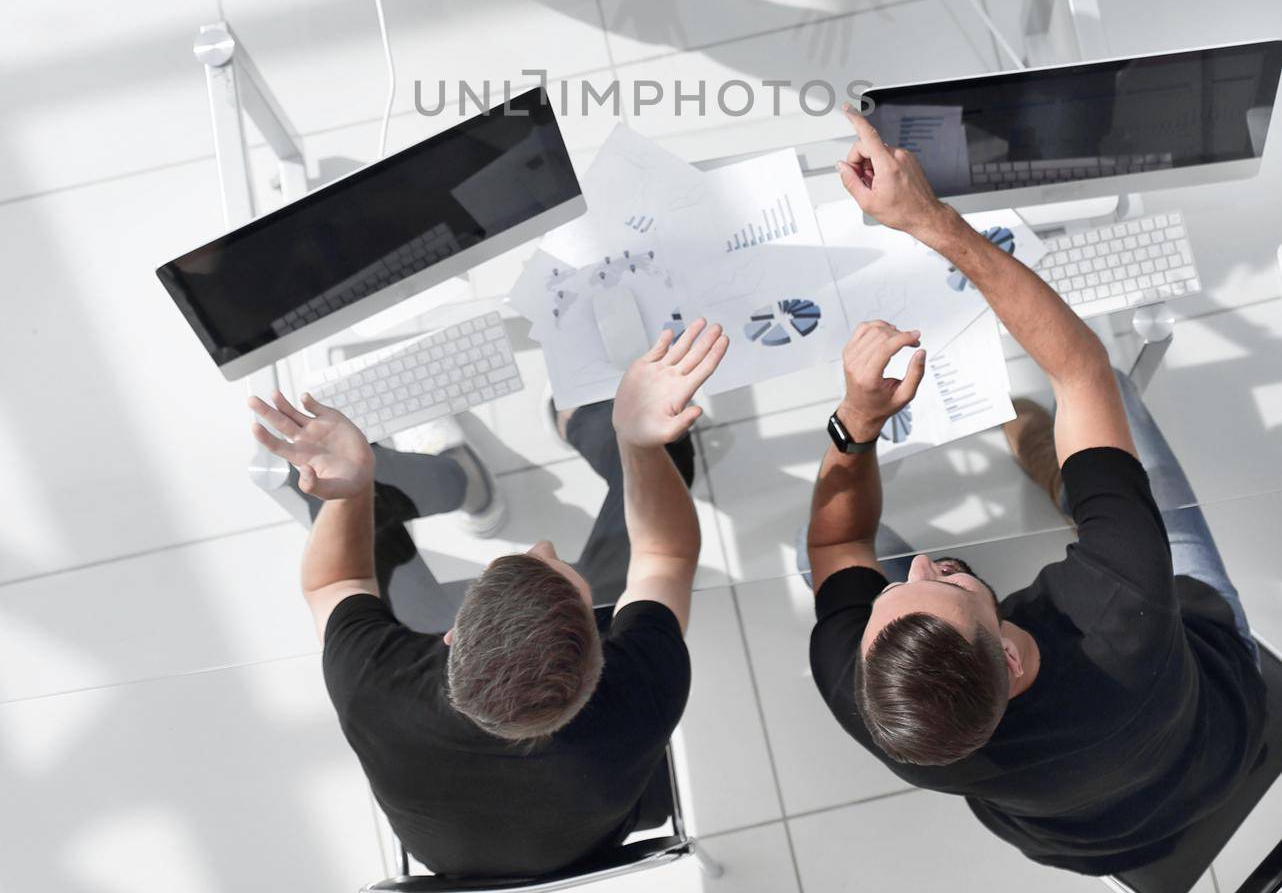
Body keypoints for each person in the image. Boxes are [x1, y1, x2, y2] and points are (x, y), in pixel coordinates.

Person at [805, 108, 1266, 877]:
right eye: (943, 581)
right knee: (1109, 392)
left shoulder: (894, 720)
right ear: (1012, 661)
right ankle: (1069, 477)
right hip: (1221, 719)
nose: (920, 565)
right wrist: (932, 222)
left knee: (824, 558)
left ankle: (1067, 474)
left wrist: (856, 424)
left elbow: (834, 544)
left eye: (892, 596)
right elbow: (1078, 366)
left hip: (1087, 839)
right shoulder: (1121, 603)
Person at [248, 318, 727, 879]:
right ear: (602, 653)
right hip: (590, 824)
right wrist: (635, 438)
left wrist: (352, 487)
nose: (544, 544)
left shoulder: (376, 689)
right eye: (562, 572)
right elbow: (665, 557)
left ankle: (459, 480)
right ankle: (576, 427)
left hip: (474, 853)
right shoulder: (640, 694)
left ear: (450, 636)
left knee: (337, 495)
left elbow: (334, 583)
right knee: (674, 456)